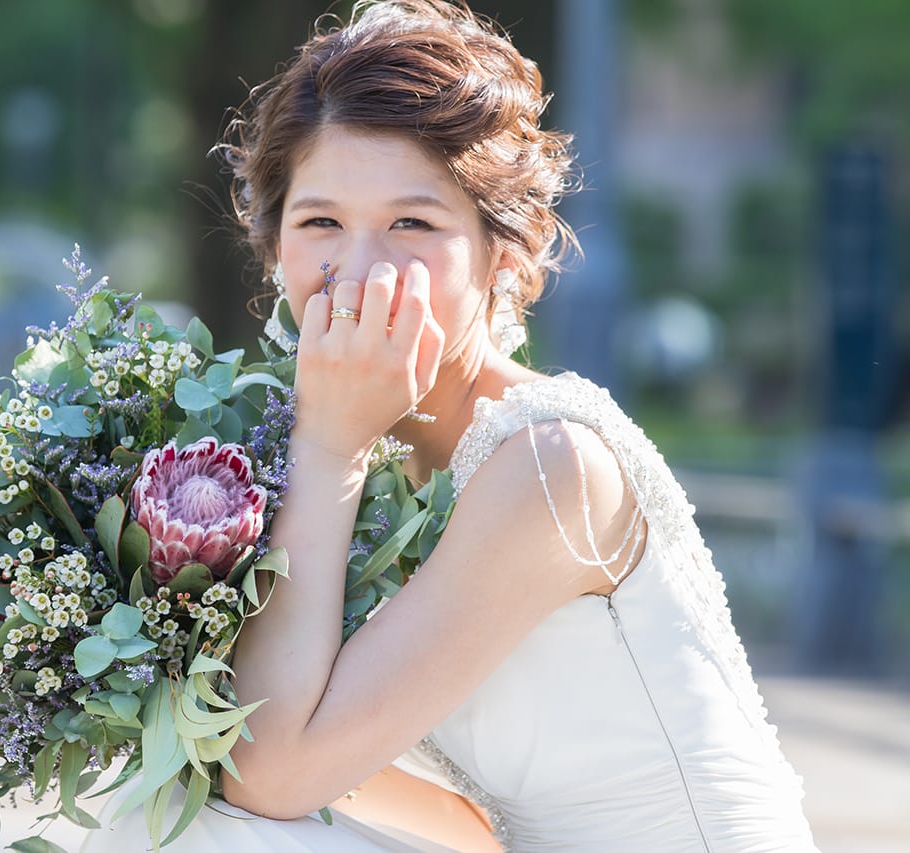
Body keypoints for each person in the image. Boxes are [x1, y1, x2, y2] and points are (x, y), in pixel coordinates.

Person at [84, 1, 818, 850]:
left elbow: (273, 772)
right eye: (321, 221)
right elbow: (457, 809)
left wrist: (330, 443)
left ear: (505, 256)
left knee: (191, 829)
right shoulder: (364, 462)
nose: (357, 273)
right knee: (172, 800)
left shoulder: (547, 465)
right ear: (273, 245)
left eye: (412, 224)